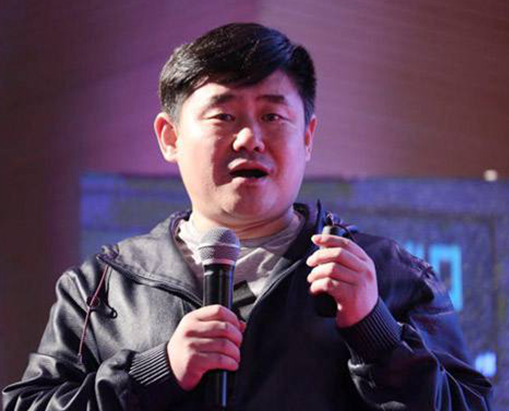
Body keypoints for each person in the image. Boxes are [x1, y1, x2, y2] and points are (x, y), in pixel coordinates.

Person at [3, 23, 492, 410]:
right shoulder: (103, 286)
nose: (249, 138)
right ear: (170, 137)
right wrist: (155, 371)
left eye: (272, 116)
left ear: (307, 136)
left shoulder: (389, 274)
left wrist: (376, 333)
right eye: (224, 116)